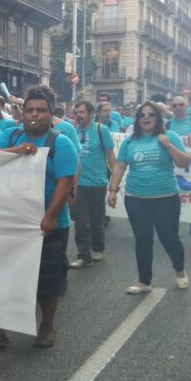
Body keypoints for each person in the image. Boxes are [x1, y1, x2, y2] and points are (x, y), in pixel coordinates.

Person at [0, 86, 78, 350]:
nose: (34, 115)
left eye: (41, 111)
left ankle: (46, 326)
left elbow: (65, 183)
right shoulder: (11, 136)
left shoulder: (60, 142)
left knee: (47, 278)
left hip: (47, 223)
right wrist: (17, 150)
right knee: (3, 275)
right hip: (10, 221)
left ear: (50, 114)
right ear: (22, 113)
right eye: (30, 110)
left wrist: (50, 217)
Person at [107, 101, 191, 294]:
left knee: (169, 237)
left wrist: (167, 145)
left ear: (158, 118)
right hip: (136, 198)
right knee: (142, 239)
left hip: (166, 198)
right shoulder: (130, 141)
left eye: (151, 115)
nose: (146, 118)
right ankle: (144, 281)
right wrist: (112, 191)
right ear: (137, 119)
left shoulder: (170, 136)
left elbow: (185, 162)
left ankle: (179, 270)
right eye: (142, 115)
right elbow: (120, 166)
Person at [69, 101, 115, 268]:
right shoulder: (72, 131)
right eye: (76, 112)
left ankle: (97, 249)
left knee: (97, 219)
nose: (78, 115)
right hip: (78, 184)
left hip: (97, 183)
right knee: (81, 221)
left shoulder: (100, 130)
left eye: (81, 112)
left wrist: (115, 181)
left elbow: (110, 154)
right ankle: (84, 255)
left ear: (91, 113)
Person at [166, 96, 191, 236]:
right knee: (173, 194)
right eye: (174, 105)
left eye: (180, 104)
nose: (178, 107)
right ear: (171, 107)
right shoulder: (168, 124)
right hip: (173, 163)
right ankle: (171, 224)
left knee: (190, 193)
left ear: (186, 106)